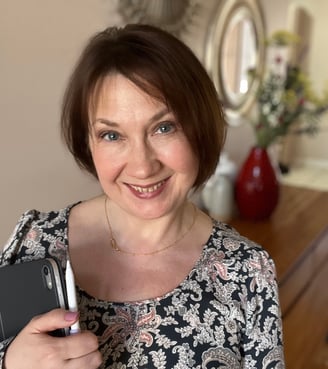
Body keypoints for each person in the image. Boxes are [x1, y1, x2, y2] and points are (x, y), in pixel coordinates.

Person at [0, 24, 285, 368]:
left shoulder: (247, 273)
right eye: (111, 135)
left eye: (164, 127)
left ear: (200, 127)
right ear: (87, 144)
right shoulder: (37, 241)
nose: (142, 165)